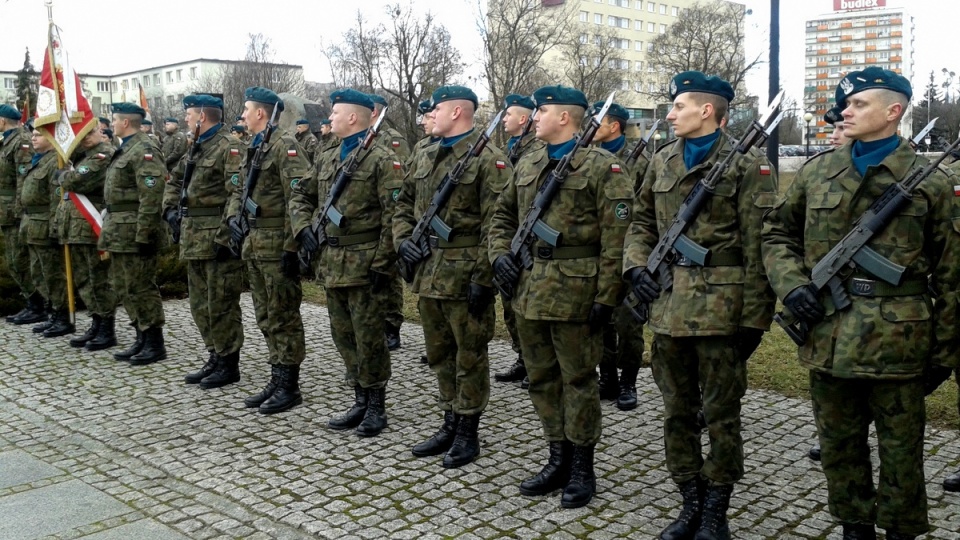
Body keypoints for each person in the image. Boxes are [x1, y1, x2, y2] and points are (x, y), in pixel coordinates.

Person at [762, 67, 959, 540]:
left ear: (894, 111)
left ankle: (900, 530)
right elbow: (776, 232)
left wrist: (946, 352)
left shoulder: (932, 182)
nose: (844, 112)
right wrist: (793, 287)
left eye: (857, 105)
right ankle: (854, 526)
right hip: (828, 332)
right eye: (844, 105)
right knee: (839, 446)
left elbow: (954, 274)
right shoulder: (817, 171)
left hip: (900, 341)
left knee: (902, 452)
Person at [624, 71, 777, 538]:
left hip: (720, 313)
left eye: (677, 107)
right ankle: (689, 498)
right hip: (668, 309)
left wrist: (753, 321)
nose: (669, 115)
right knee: (676, 412)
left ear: (706, 110)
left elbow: (762, 246)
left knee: (721, 416)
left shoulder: (748, 166)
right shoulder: (661, 160)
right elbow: (641, 223)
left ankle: (716, 509)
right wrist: (636, 268)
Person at [489, 85, 632, 509]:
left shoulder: (603, 167)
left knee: (578, 380)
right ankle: (557, 455)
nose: (534, 117)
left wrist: (607, 297)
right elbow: (501, 215)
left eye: (542, 111)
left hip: (576, 291)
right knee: (542, 378)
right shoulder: (528, 161)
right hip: (529, 289)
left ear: (566, 118)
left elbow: (617, 239)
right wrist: (499, 256)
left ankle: (582, 466)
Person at [393, 85, 510, 469]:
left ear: (457, 112)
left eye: (436, 109)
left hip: (465, 275)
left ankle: (468, 431)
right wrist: (404, 241)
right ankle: (449, 420)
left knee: (469, 356)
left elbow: (497, 225)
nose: (430, 115)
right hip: (428, 271)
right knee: (441, 354)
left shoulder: (489, 160)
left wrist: (483, 278)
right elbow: (404, 205)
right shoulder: (424, 152)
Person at [290, 89, 402, 437]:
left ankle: (376, 406)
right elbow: (301, 193)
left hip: (365, 264)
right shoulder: (327, 157)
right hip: (332, 263)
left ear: (354, 117)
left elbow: (395, 216)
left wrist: (382, 265)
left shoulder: (381, 159)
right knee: (343, 336)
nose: (330, 118)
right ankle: (359, 398)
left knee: (369, 338)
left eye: (336, 112)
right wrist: (302, 227)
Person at [227, 86, 310, 415]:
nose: (243, 115)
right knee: (265, 315)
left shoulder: (284, 145)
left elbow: (298, 199)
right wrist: (236, 219)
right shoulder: (254, 146)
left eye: (246, 110)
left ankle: (289, 384)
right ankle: (277, 377)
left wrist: (292, 246)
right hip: (255, 241)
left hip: (277, 243)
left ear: (261, 112)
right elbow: (241, 189)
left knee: (283, 315)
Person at [162, 94, 246, 389]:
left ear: (202, 116)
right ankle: (213, 354)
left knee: (220, 302)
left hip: (215, 237)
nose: (185, 119)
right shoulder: (196, 147)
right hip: (193, 235)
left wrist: (226, 236)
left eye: (188, 114)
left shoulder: (229, 146)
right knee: (200, 303)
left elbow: (238, 194)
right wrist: (170, 209)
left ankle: (228, 361)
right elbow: (174, 180)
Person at [589, 100, 649, 411]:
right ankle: (607, 377)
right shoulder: (587, 157)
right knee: (600, 319)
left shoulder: (641, 159)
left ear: (614, 126)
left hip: (629, 252)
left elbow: (646, 209)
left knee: (628, 322)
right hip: (597, 252)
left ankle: (628, 381)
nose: (590, 128)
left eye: (596, 122)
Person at [102, 103, 168, 365]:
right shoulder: (125, 148)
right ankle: (141, 336)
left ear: (125, 122)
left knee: (141, 286)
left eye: (114, 120)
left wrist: (145, 235)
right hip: (119, 231)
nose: (112, 124)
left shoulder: (143, 149)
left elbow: (151, 197)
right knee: (124, 286)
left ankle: (154, 342)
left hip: (134, 231)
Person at [807, 102, 849, 464]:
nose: (833, 136)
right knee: (827, 377)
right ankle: (830, 433)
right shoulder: (816, 173)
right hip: (825, 304)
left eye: (840, 129)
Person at [492, 93, 542, 389]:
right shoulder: (510, 149)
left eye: (509, 114)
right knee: (510, 305)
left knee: (522, 304)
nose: (504, 119)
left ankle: (532, 361)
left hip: (528, 239)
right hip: (509, 238)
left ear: (524, 119)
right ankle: (522, 358)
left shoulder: (535, 149)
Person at [57, 127, 119, 350]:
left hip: (91, 225)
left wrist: (62, 175)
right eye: (80, 136)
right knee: (83, 278)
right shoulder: (83, 156)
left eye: (88, 134)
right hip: (75, 227)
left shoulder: (104, 155)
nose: (84, 139)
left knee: (98, 278)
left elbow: (79, 181)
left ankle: (106, 327)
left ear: (99, 132)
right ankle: (96, 321)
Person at [19, 129, 72, 337]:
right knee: (38, 272)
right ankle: (52, 311)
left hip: (45, 225)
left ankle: (63, 315)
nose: (33, 138)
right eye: (32, 134)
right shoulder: (37, 160)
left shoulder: (55, 162)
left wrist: (54, 227)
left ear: (51, 138)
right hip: (32, 224)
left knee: (52, 274)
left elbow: (55, 199)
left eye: (38, 134)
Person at [368, 93, 409, 351]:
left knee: (389, 275)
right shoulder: (364, 137)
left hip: (388, 212)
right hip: (368, 217)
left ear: (374, 110)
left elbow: (400, 173)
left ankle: (392, 325)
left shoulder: (392, 137)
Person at [0, 104, 42, 324]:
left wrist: (18, 211)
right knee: (14, 260)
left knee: (20, 260)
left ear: (3, 120)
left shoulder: (21, 142)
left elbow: (23, 180)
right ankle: (32, 302)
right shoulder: (7, 141)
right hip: (5, 210)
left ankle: (38, 304)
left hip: (14, 212)